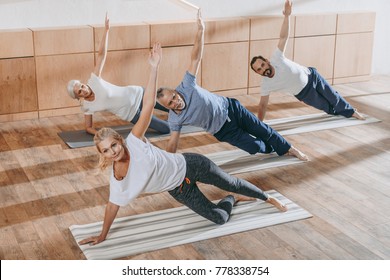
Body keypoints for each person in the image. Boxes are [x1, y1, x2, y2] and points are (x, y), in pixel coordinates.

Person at [78, 42, 287, 246]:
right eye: (106, 151)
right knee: (219, 218)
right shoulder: (118, 180)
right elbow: (112, 207)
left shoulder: (134, 142)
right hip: (179, 190)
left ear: (120, 141)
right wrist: (102, 235)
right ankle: (232, 199)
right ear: (102, 155)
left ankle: (267, 198)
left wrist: (154, 68)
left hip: (191, 165)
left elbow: (149, 103)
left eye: (113, 145)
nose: (112, 152)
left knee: (231, 181)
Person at [156, 10, 308, 160]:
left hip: (231, 109)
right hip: (223, 131)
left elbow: (195, 58)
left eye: (174, 96)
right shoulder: (174, 120)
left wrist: (201, 30)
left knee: (263, 130)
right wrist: (168, 166)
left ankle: (290, 149)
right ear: (167, 108)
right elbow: (172, 144)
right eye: (170, 103)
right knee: (254, 147)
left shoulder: (186, 85)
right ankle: (272, 147)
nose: (176, 102)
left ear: (175, 91)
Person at [250, 0, 365, 121]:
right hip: (304, 94)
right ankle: (341, 113)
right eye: (259, 69)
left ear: (267, 61)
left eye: (262, 65)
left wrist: (287, 16)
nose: (263, 69)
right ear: (258, 73)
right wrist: (259, 125)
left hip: (312, 76)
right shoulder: (265, 84)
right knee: (326, 107)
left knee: (332, 96)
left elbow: (283, 37)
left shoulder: (276, 58)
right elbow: (262, 105)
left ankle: (352, 112)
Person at [66, 13, 170, 135]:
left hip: (138, 94)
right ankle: (177, 121)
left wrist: (106, 30)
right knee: (166, 129)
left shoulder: (94, 80)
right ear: (78, 97)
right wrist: (99, 134)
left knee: (172, 106)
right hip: (132, 114)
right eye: (79, 92)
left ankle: (187, 115)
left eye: (82, 86)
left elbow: (101, 55)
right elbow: (88, 127)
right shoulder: (87, 106)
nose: (83, 89)